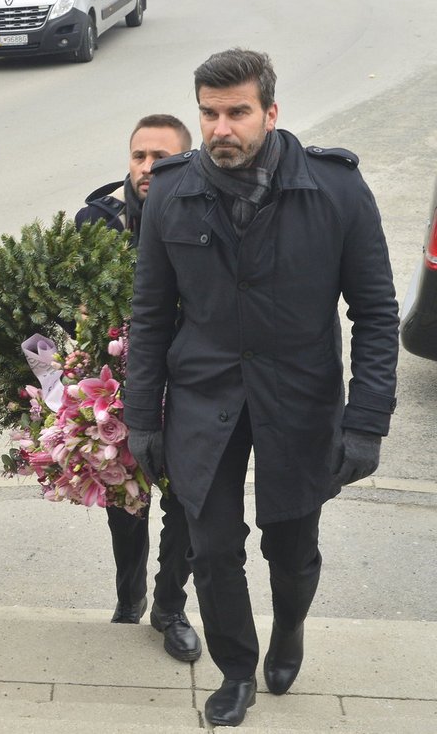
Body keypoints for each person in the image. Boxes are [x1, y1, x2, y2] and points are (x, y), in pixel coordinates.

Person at [125, 50, 398, 727]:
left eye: (238, 112)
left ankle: (291, 629)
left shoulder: (335, 190)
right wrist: (141, 418)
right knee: (212, 547)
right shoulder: (172, 190)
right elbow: (152, 313)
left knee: (291, 545)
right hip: (202, 394)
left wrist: (366, 420)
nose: (222, 127)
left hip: (299, 399)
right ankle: (238, 668)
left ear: (270, 114)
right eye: (210, 113)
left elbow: (376, 312)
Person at [74, 114, 201, 665]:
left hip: (194, 391)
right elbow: (63, 303)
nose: (149, 168)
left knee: (189, 506)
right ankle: (131, 597)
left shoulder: (205, 211)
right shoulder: (98, 221)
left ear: (187, 161)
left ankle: (169, 606)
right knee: (126, 506)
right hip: (117, 392)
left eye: (163, 158)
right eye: (139, 157)